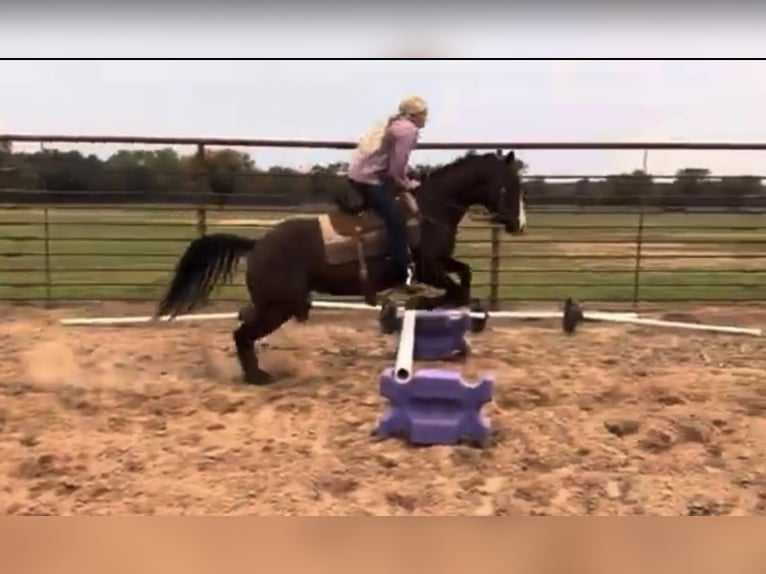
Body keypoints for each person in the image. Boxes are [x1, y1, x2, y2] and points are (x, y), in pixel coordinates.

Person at [347, 95, 427, 286]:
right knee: (396, 218)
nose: (426, 118)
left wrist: (408, 174)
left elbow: (391, 160)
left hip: (363, 174)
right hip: (369, 179)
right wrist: (408, 184)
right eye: (424, 114)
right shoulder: (408, 131)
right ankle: (401, 270)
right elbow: (395, 169)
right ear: (415, 115)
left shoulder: (397, 124)